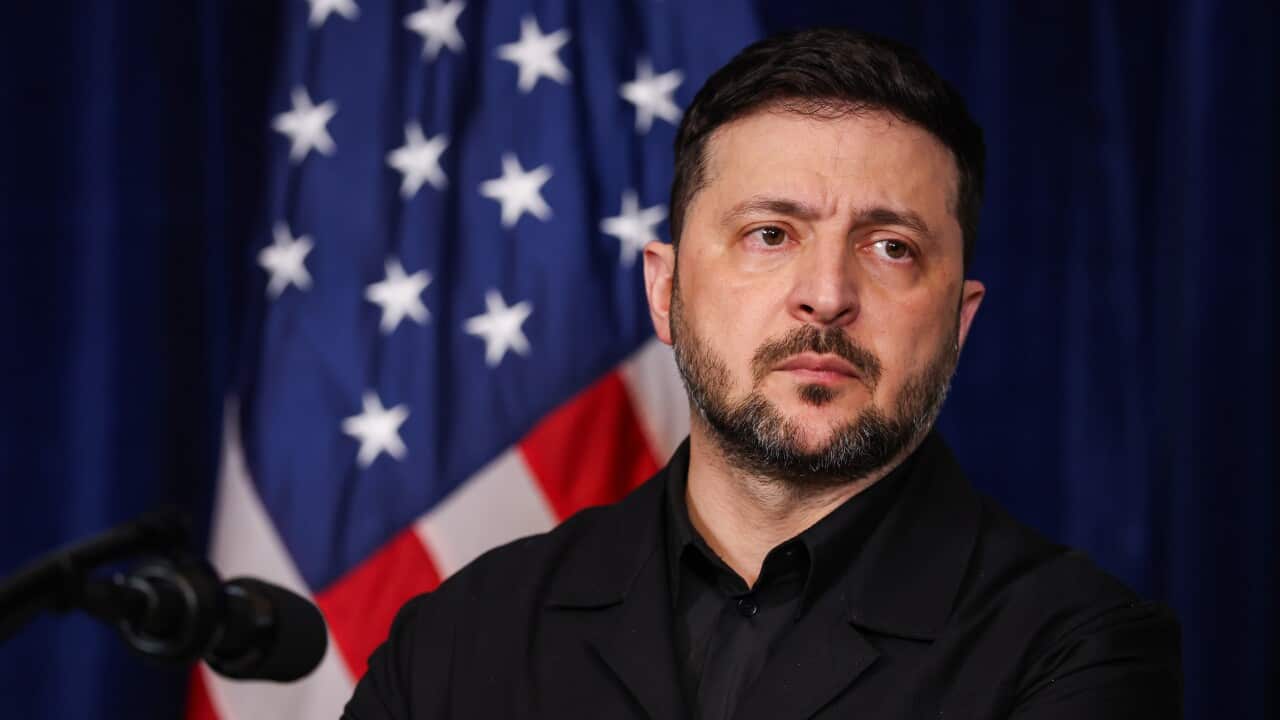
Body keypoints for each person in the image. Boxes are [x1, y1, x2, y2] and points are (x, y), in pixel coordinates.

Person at [342, 27, 1181, 720]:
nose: (826, 296)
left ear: (960, 322)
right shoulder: (460, 638)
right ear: (666, 291)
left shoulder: (1074, 649)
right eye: (770, 234)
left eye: (891, 248)